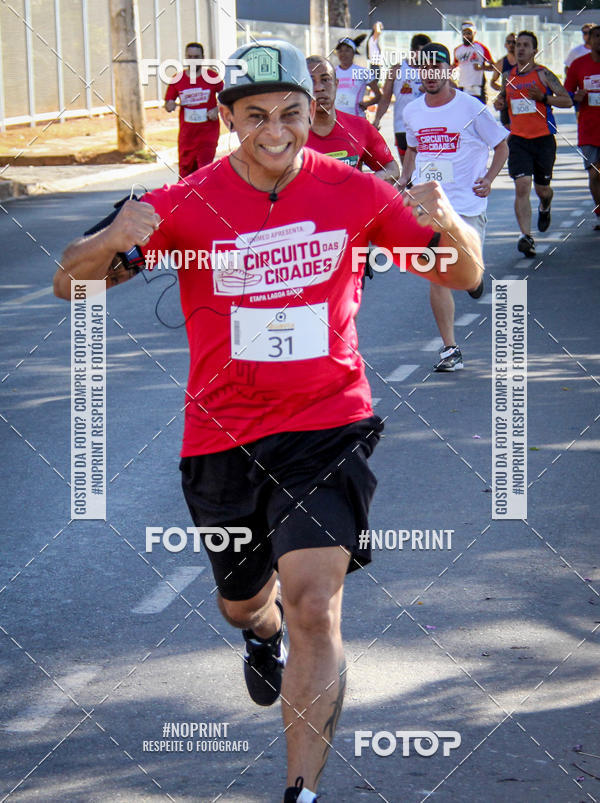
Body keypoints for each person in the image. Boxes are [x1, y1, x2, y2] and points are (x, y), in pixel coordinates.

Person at [54, 40, 482, 803]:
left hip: (328, 424)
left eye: (291, 113)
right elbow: (68, 281)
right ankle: (262, 630)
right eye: (256, 116)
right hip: (221, 436)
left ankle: (300, 792)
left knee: (316, 601)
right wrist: (111, 238)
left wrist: (451, 223)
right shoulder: (185, 201)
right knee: (244, 602)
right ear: (228, 118)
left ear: (312, 113)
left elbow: (466, 273)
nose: (276, 131)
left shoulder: (353, 190)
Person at [399, 43, 508, 372]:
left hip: (467, 205)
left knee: (468, 274)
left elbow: (501, 146)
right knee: (438, 275)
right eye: (425, 68)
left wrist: (489, 178)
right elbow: (413, 150)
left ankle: (473, 280)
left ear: (450, 70)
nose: (431, 74)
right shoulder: (412, 111)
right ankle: (450, 349)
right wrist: (404, 179)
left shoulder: (471, 107)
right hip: (430, 206)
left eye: (437, 68)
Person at [494, 30, 573, 257]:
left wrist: (543, 98)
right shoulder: (508, 75)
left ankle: (545, 205)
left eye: (525, 45)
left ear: (534, 51)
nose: (520, 48)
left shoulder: (543, 74)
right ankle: (526, 236)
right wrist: (500, 103)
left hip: (543, 140)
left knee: (542, 189)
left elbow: (567, 100)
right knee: (522, 185)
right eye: (518, 44)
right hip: (518, 140)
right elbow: (503, 99)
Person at [306, 55, 399, 182]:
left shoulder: (361, 127)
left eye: (325, 79)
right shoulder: (289, 132)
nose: (319, 88)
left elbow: (392, 170)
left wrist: (364, 183)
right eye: (311, 81)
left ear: (336, 84)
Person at [164, 41, 223, 177]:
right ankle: (185, 192)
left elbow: (226, 97)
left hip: (208, 133)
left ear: (202, 58)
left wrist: (217, 109)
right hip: (187, 135)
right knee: (185, 173)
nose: (193, 60)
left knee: (204, 172)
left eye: (196, 57)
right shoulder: (177, 78)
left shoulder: (212, 77)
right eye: (190, 57)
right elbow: (168, 102)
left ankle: (204, 191)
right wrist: (170, 105)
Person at [373, 33, 431, 164]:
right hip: (402, 127)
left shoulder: (431, 71)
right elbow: (385, 98)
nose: (425, 57)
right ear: (413, 51)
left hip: (426, 126)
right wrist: (377, 119)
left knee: (425, 168)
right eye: (422, 53)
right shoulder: (396, 70)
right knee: (407, 170)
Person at [565, 25, 600, 230]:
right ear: (590, 40)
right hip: (588, 129)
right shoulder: (579, 64)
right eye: (596, 36)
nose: (599, 40)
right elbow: (566, 94)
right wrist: (575, 97)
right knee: (594, 174)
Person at [334, 35, 381, 117]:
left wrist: (367, 104)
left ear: (353, 52)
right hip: (337, 119)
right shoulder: (332, 72)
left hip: (356, 118)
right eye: (340, 51)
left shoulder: (363, 72)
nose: (343, 54)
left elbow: (379, 96)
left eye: (347, 50)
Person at [453, 20, 494, 104]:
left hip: (477, 86)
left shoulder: (481, 48)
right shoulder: (457, 50)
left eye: (469, 33)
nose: (466, 36)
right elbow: (454, 65)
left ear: (474, 33)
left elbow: (494, 67)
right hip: (463, 86)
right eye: (464, 33)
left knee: (479, 109)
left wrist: (481, 67)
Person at [491, 32, 516, 128]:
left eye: (514, 42)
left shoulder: (524, 62)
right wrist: (502, 89)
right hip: (506, 101)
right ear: (505, 45)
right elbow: (493, 82)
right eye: (509, 42)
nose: (511, 45)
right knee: (508, 129)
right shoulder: (501, 63)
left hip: (521, 99)